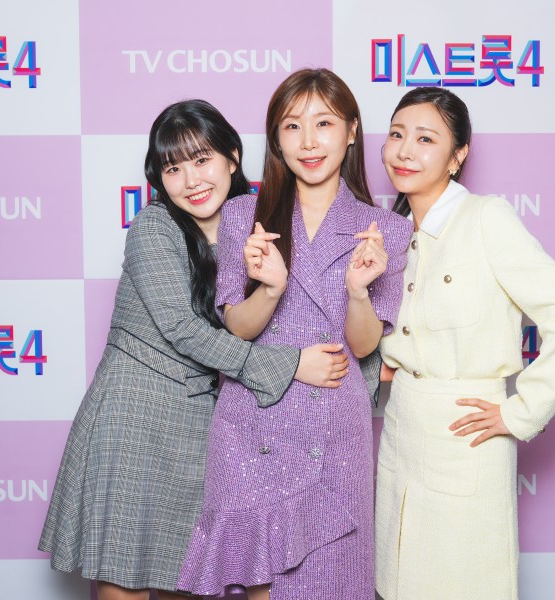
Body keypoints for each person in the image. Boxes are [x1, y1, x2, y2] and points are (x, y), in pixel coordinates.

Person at [38, 99, 350, 600]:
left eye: (202, 160)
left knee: (183, 581)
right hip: (134, 420)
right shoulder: (154, 228)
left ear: (232, 157)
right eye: (173, 168)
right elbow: (183, 329)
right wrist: (291, 365)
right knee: (125, 582)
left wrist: (368, 362)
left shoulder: (257, 225)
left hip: (206, 430)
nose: (191, 180)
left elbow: (304, 311)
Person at [177, 69, 413, 600]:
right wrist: (270, 288)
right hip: (251, 423)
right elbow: (237, 328)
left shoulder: (386, 231)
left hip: (332, 431)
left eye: (324, 123)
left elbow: (363, 346)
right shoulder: (243, 215)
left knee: (331, 583)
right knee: (262, 589)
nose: (308, 141)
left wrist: (358, 291)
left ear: (351, 131)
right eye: (292, 126)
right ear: (276, 139)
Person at [374, 87, 555, 600]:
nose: (405, 150)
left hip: (465, 435)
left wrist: (521, 412)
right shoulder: (392, 233)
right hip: (401, 429)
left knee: (466, 582)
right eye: (397, 135)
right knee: (397, 582)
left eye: (425, 139)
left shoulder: (485, 217)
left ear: (457, 156)